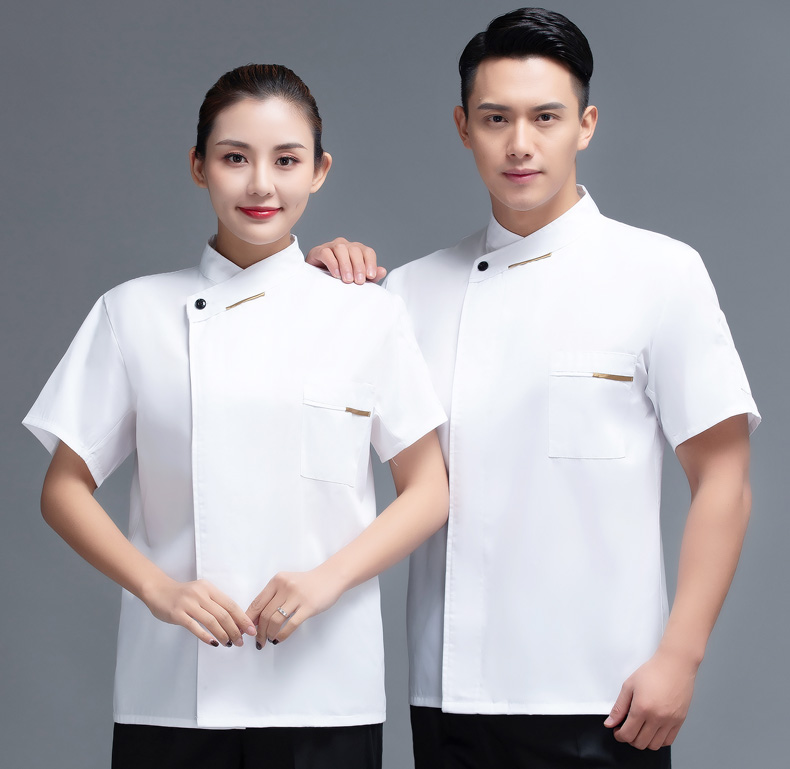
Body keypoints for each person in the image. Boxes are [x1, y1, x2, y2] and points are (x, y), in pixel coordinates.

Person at [307, 8, 759, 768]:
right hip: (448, 696)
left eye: (545, 117)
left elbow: (724, 477)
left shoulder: (660, 274)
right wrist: (308, 283)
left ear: (585, 125)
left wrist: (680, 656)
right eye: (496, 118)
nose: (520, 143)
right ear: (464, 128)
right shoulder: (408, 293)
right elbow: (302, 424)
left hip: (609, 694)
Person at [23, 63, 449, 769]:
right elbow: (63, 488)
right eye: (234, 158)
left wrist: (326, 580)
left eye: (286, 160)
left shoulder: (367, 315)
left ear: (319, 171)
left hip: (326, 685)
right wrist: (158, 588)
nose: (260, 185)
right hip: (172, 686)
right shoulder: (132, 313)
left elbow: (428, 489)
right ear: (198, 167)